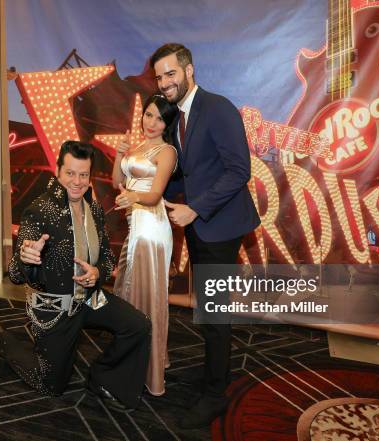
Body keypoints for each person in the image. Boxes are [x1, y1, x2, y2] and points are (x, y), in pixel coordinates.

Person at [151, 43, 261, 428]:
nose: (164, 82)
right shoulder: (180, 114)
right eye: (159, 77)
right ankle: (217, 373)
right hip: (199, 225)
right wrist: (144, 186)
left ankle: (215, 394)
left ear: (189, 70)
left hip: (220, 226)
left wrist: (195, 209)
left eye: (170, 74)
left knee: (215, 312)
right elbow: (189, 172)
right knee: (208, 306)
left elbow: (239, 170)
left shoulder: (217, 108)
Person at [0, 141, 151, 411]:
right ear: (58, 171)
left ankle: (103, 378)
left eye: (83, 175)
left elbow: (106, 257)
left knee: (138, 325)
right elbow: (16, 274)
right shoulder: (40, 210)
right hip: (55, 307)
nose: (76, 182)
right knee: (51, 385)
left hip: (90, 299)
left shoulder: (95, 209)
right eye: (70, 173)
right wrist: (25, 257)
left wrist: (97, 272)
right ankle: (6, 341)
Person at [111, 94, 177, 396]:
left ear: (167, 123)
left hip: (151, 226)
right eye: (149, 115)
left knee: (147, 293)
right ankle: (131, 359)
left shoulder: (167, 151)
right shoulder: (136, 147)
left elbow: (154, 195)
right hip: (134, 225)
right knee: (128, 287)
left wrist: (134, 197)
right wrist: (118, 155)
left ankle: (146, 366)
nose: (151, 123)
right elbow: (117, 182)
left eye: (159, 118)